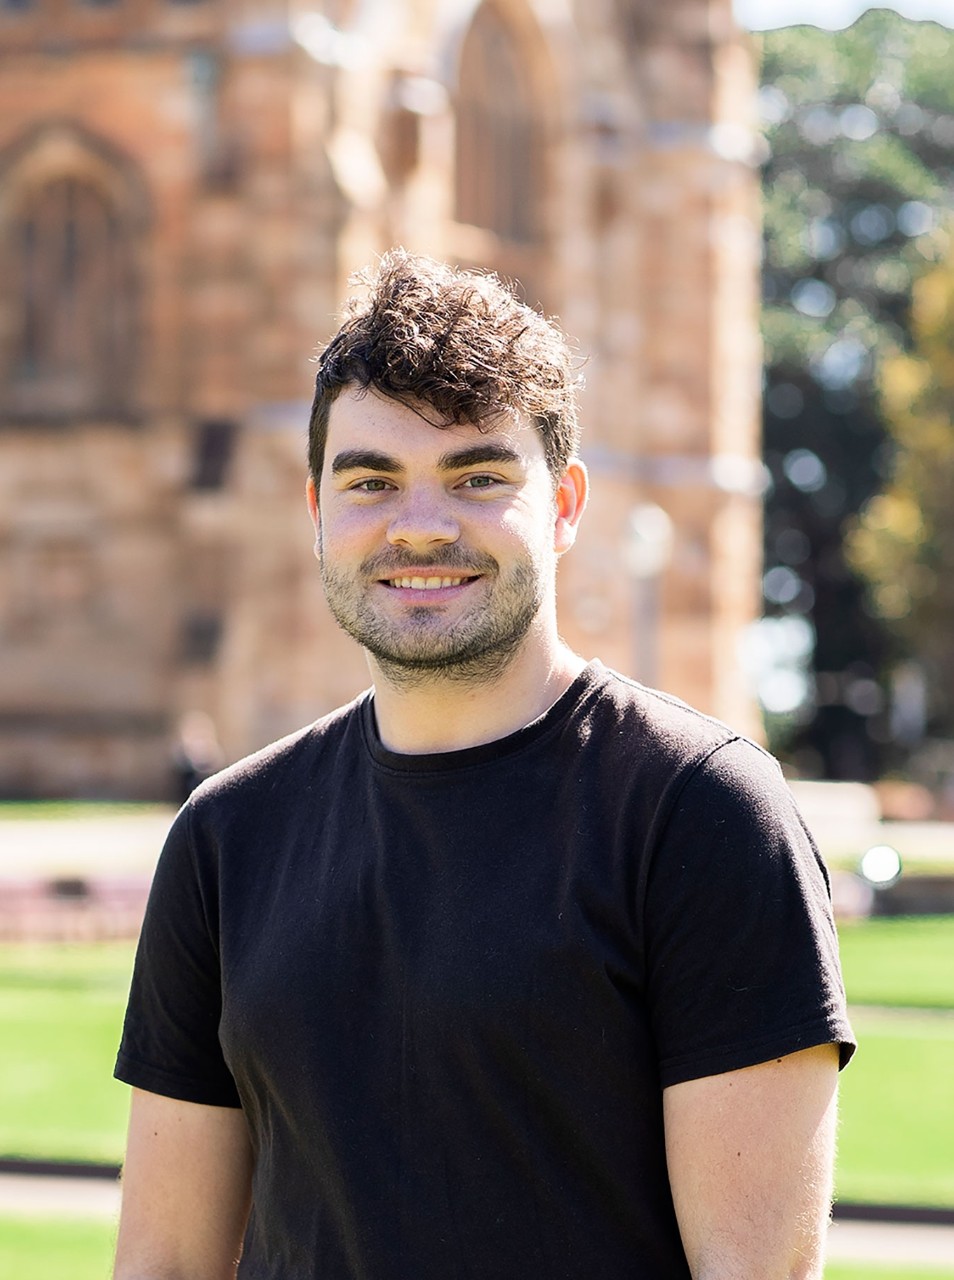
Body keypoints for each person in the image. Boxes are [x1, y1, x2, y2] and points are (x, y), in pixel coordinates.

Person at [113, 251, 855, 1280]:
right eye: (372, 480)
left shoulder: (702, 809)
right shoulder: (226, 835)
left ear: (564, 506)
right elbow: (164, 1259)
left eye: (477, 476)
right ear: (318, 509)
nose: (421, 524)